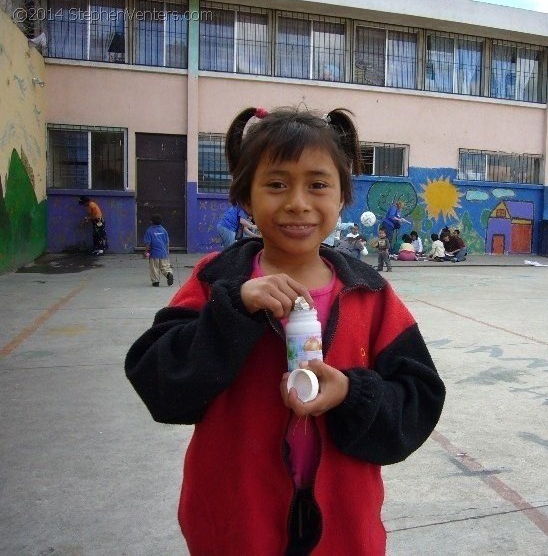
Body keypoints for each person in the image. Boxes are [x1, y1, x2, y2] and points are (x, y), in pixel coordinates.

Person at [124, 106, 445, 555]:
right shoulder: (216, 280)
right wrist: (233, 308)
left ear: (341, 198)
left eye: (317, 184)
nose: (297, 202)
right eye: (275, 184)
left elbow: (419, 401)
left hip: (343, 530)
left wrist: (352, 393)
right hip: (235, 525)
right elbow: (158, 382)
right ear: (245, 197)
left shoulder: (371, 296)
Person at [143, 214, 174, 287]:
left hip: (154, 253)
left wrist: (146, 252)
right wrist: (167, 251)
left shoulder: (149, 231)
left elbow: (148, 243)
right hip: (163, 252)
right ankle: (169, 274)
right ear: (161, 222)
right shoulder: (164, 230)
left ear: (151, 222)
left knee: (154, 268)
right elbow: (167, 242)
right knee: (165, 266)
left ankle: (155, 282)